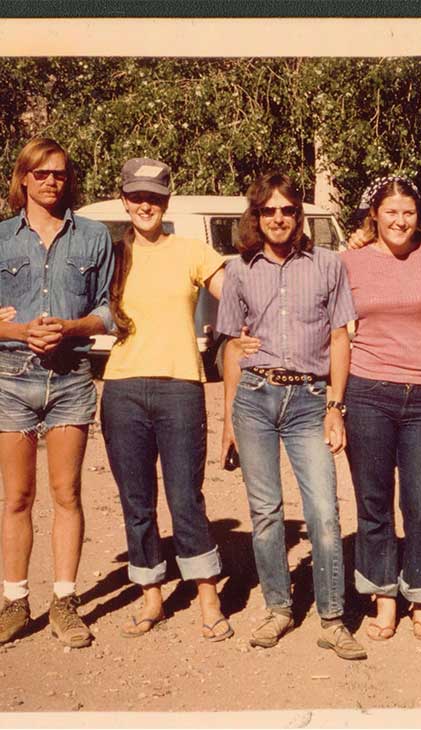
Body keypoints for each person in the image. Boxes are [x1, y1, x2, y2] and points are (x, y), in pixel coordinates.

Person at [217, 172, 365, 660]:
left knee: (324, 512)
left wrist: (335, 407)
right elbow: (229, 346)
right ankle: (278, 608)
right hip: (254, 399)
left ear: (298, 215)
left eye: (287, 210)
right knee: (266, 513)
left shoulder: (327, 265)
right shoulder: (239, 269)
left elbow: (341, 338)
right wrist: (227, 424)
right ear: (256, 217)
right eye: (268, 211)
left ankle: (332, 618)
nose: (278, 219)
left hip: (308, 401)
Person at [99, 157, 243, 641]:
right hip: (121, 390)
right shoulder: (111, 255)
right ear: (124, 201)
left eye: (155, 197)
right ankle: (150, 593)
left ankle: (206, 593)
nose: (145, 205)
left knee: (186, 496)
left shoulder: (192, 251)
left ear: (167, 201)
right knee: (136, 501)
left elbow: (238, 299)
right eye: (137, 196)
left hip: (181, 387)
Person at [0, 138, 113, 648]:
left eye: (60, 174)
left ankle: (65, 601)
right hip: (10, 380)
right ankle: (15, 602)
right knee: (17, 496)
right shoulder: (1, 238)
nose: (51, 181)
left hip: (69, 378)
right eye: (41, 173)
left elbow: (110, 310)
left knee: (67, 494)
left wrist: (70, 327)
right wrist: (21, 332)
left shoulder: (93, 237)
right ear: (23, 178)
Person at [341, 176, 421, 641]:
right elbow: (330, 328)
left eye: (407, 211)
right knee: (373, 503)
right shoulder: (348, 262)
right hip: (368, 392)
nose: (399, 220)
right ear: (375, 215)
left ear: (418, 215)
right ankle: (383, 596)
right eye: (390, 211)